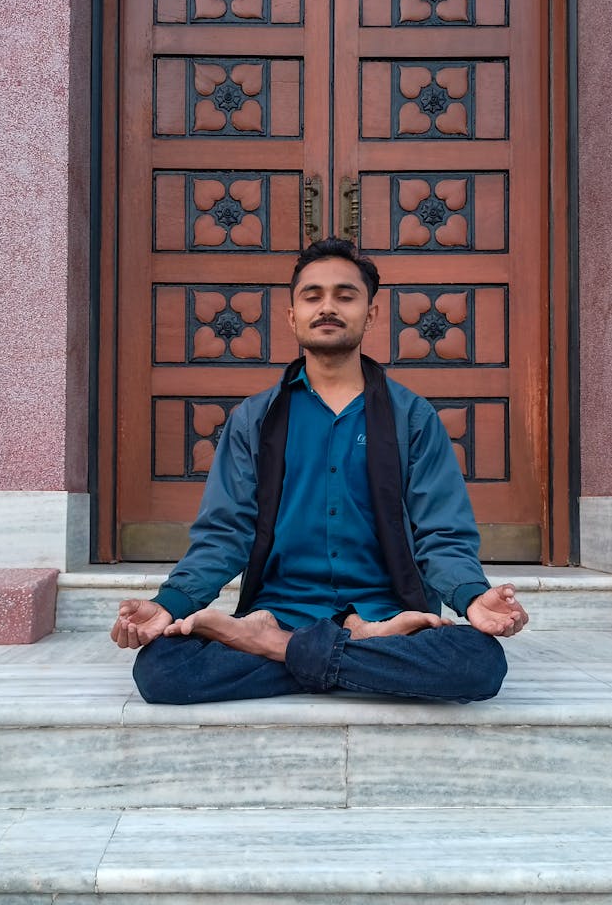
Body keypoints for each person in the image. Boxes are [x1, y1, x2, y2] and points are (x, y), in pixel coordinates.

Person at [111, 237, 528, 703]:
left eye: (345, 296)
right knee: (163, 669)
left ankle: (276, 648)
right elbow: (225, 534)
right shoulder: (255, 419)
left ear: (371, 314)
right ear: (292, 316)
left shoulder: (412, 417)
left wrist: (471, 596)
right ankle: (358, 649)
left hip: (387, 613)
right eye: (313, 296)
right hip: (283, 610)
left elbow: (441, 532)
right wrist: (170, 603)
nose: (328, 307)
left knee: (477, 663)